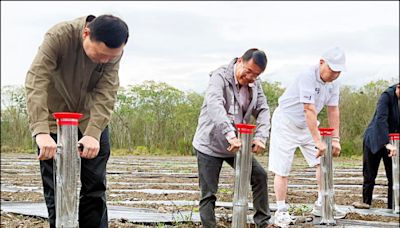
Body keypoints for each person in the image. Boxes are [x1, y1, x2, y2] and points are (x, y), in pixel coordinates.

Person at [25, 14, 129, 228]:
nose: (105, 61)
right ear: (86, 34)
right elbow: (37, 80)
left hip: (91, 120)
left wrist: (93, 133)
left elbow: (107, 90)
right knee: (57, 187)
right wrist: (41, 131)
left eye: (111, 57)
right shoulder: (59, 37)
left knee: (95, 186)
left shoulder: (113, 53)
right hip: (54, 120)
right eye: (100, 55)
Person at [192, 48, 272, 228]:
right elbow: (215, 105)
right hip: (210, 144)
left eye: (256, 75)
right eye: (249, 71)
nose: (251, 77)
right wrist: (230, 134)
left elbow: (264, 110)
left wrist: (260, 137)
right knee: (209, 193)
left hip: (237, 144)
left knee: (259, 175)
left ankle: (263, 223)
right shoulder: (219, 77)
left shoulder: (255, 84)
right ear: (240, 61)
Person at [268, 47, 347, 226]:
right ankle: (280, 210)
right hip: (286, 122)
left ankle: (322, 202)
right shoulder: (307, 76)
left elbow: (333, 109)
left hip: (307, 124)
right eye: (332, 70)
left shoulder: (334, 83)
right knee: (282, 168)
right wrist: (318, 141)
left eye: (338, 71)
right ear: (321, 63)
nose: (335, 74)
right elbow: (308, 109)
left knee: (322, 161)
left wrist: (335, 139)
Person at [352, 83, 399, 209]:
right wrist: (386, 143)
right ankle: (366, 203)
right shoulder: (386, 96)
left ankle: (393, 206)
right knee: (370, 175)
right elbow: (381, 119)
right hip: (375, 139)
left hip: (392, 143)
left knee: (394, 176)